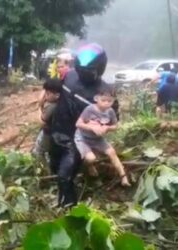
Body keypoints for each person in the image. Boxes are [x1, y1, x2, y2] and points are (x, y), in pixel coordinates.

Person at [48, 43, 119, 208]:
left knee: (64, 176)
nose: (84, 72)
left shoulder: (104, 93)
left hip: (77, 140)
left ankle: (70, 209)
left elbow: (113, 119)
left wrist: (101, 128)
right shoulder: (70, 76)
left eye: (89, 70)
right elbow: (54, 90)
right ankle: (68, 189)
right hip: (57, 131)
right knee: (54, 166)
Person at [74, 86, 130, 186]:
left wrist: (107, 128)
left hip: (97, 139)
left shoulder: (110, 111)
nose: (106, 103)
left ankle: (123, 177)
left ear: (113, 101)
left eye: (109, 101)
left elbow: (115, 126)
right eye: (103, 100)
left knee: (112, 152)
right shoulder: (90, 109)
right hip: (83, 138)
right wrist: (92, 128)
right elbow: (78, 124)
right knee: (91, 158)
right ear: (96, 99)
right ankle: (89, 166)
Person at [32, 79, 62, 166]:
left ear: (57, 95)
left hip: (48, 133)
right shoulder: (58, 102)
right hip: (54, 133)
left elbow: (41, 121)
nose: (45, 95)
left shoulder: (52, 107)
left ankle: (44, 169)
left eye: (48, 94)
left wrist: (39, 108)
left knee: (38, 151)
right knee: (48, 151)